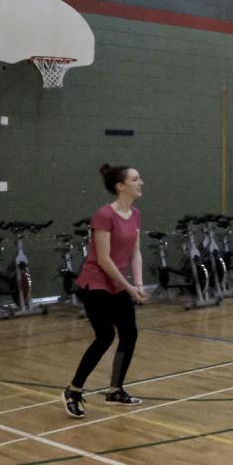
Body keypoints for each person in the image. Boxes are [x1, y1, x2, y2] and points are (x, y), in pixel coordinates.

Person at [62, 164, 149, 418]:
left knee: (129, 334)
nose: (140, 182)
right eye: (135, 179)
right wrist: (130, 288)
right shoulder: (104, 216)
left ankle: (115, 390)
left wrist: (140, 285)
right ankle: (74, 390)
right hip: (97, 284)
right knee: (105, 336)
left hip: (118, 283)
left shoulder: (135, 215)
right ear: (120, 186)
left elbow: (135, 252)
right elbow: (104, 259)